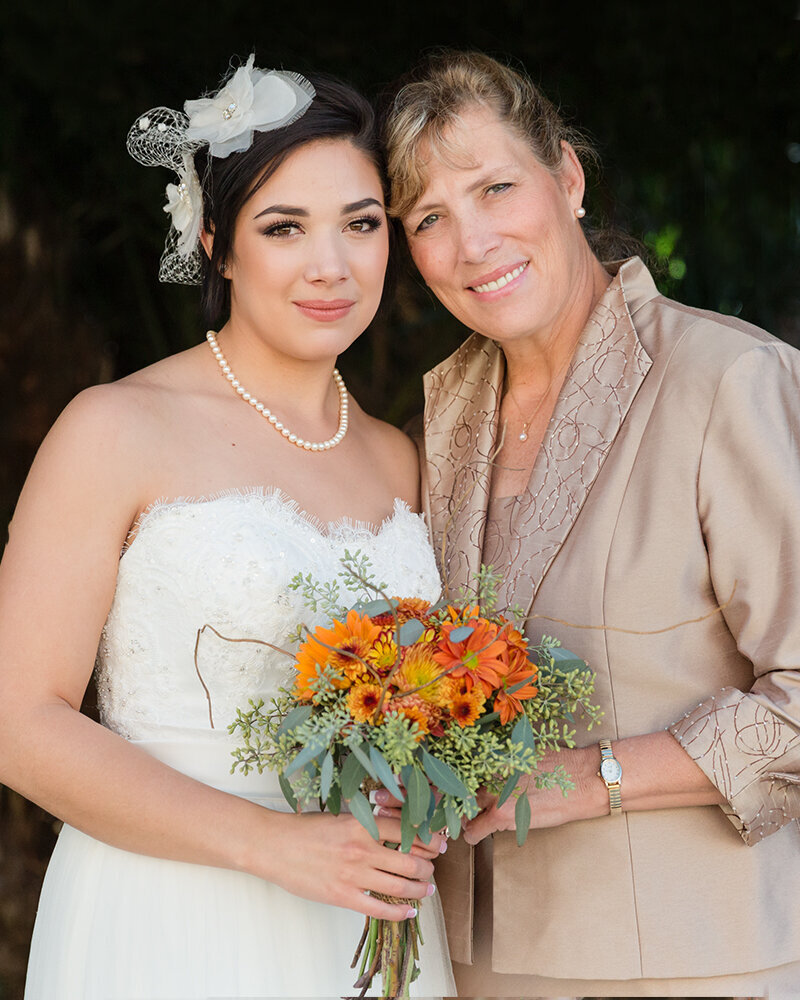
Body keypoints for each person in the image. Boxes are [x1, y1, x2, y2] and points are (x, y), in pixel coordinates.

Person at [0, 56, 455, 999]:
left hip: (368, 918)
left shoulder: (398, 456)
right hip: (170, 913)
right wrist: (270, 844)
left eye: (361, 225)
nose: (331, 265)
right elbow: (15, 723)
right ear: (216, 241)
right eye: (284, 228)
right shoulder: (115, 428)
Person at [376, 50, 800, 996]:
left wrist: (585, 777)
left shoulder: (727, 381)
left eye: (496, 187)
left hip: (698, 958)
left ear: (567, 178)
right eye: (431, 218)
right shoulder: (435, 425)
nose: (473, 240)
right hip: (476, 963)